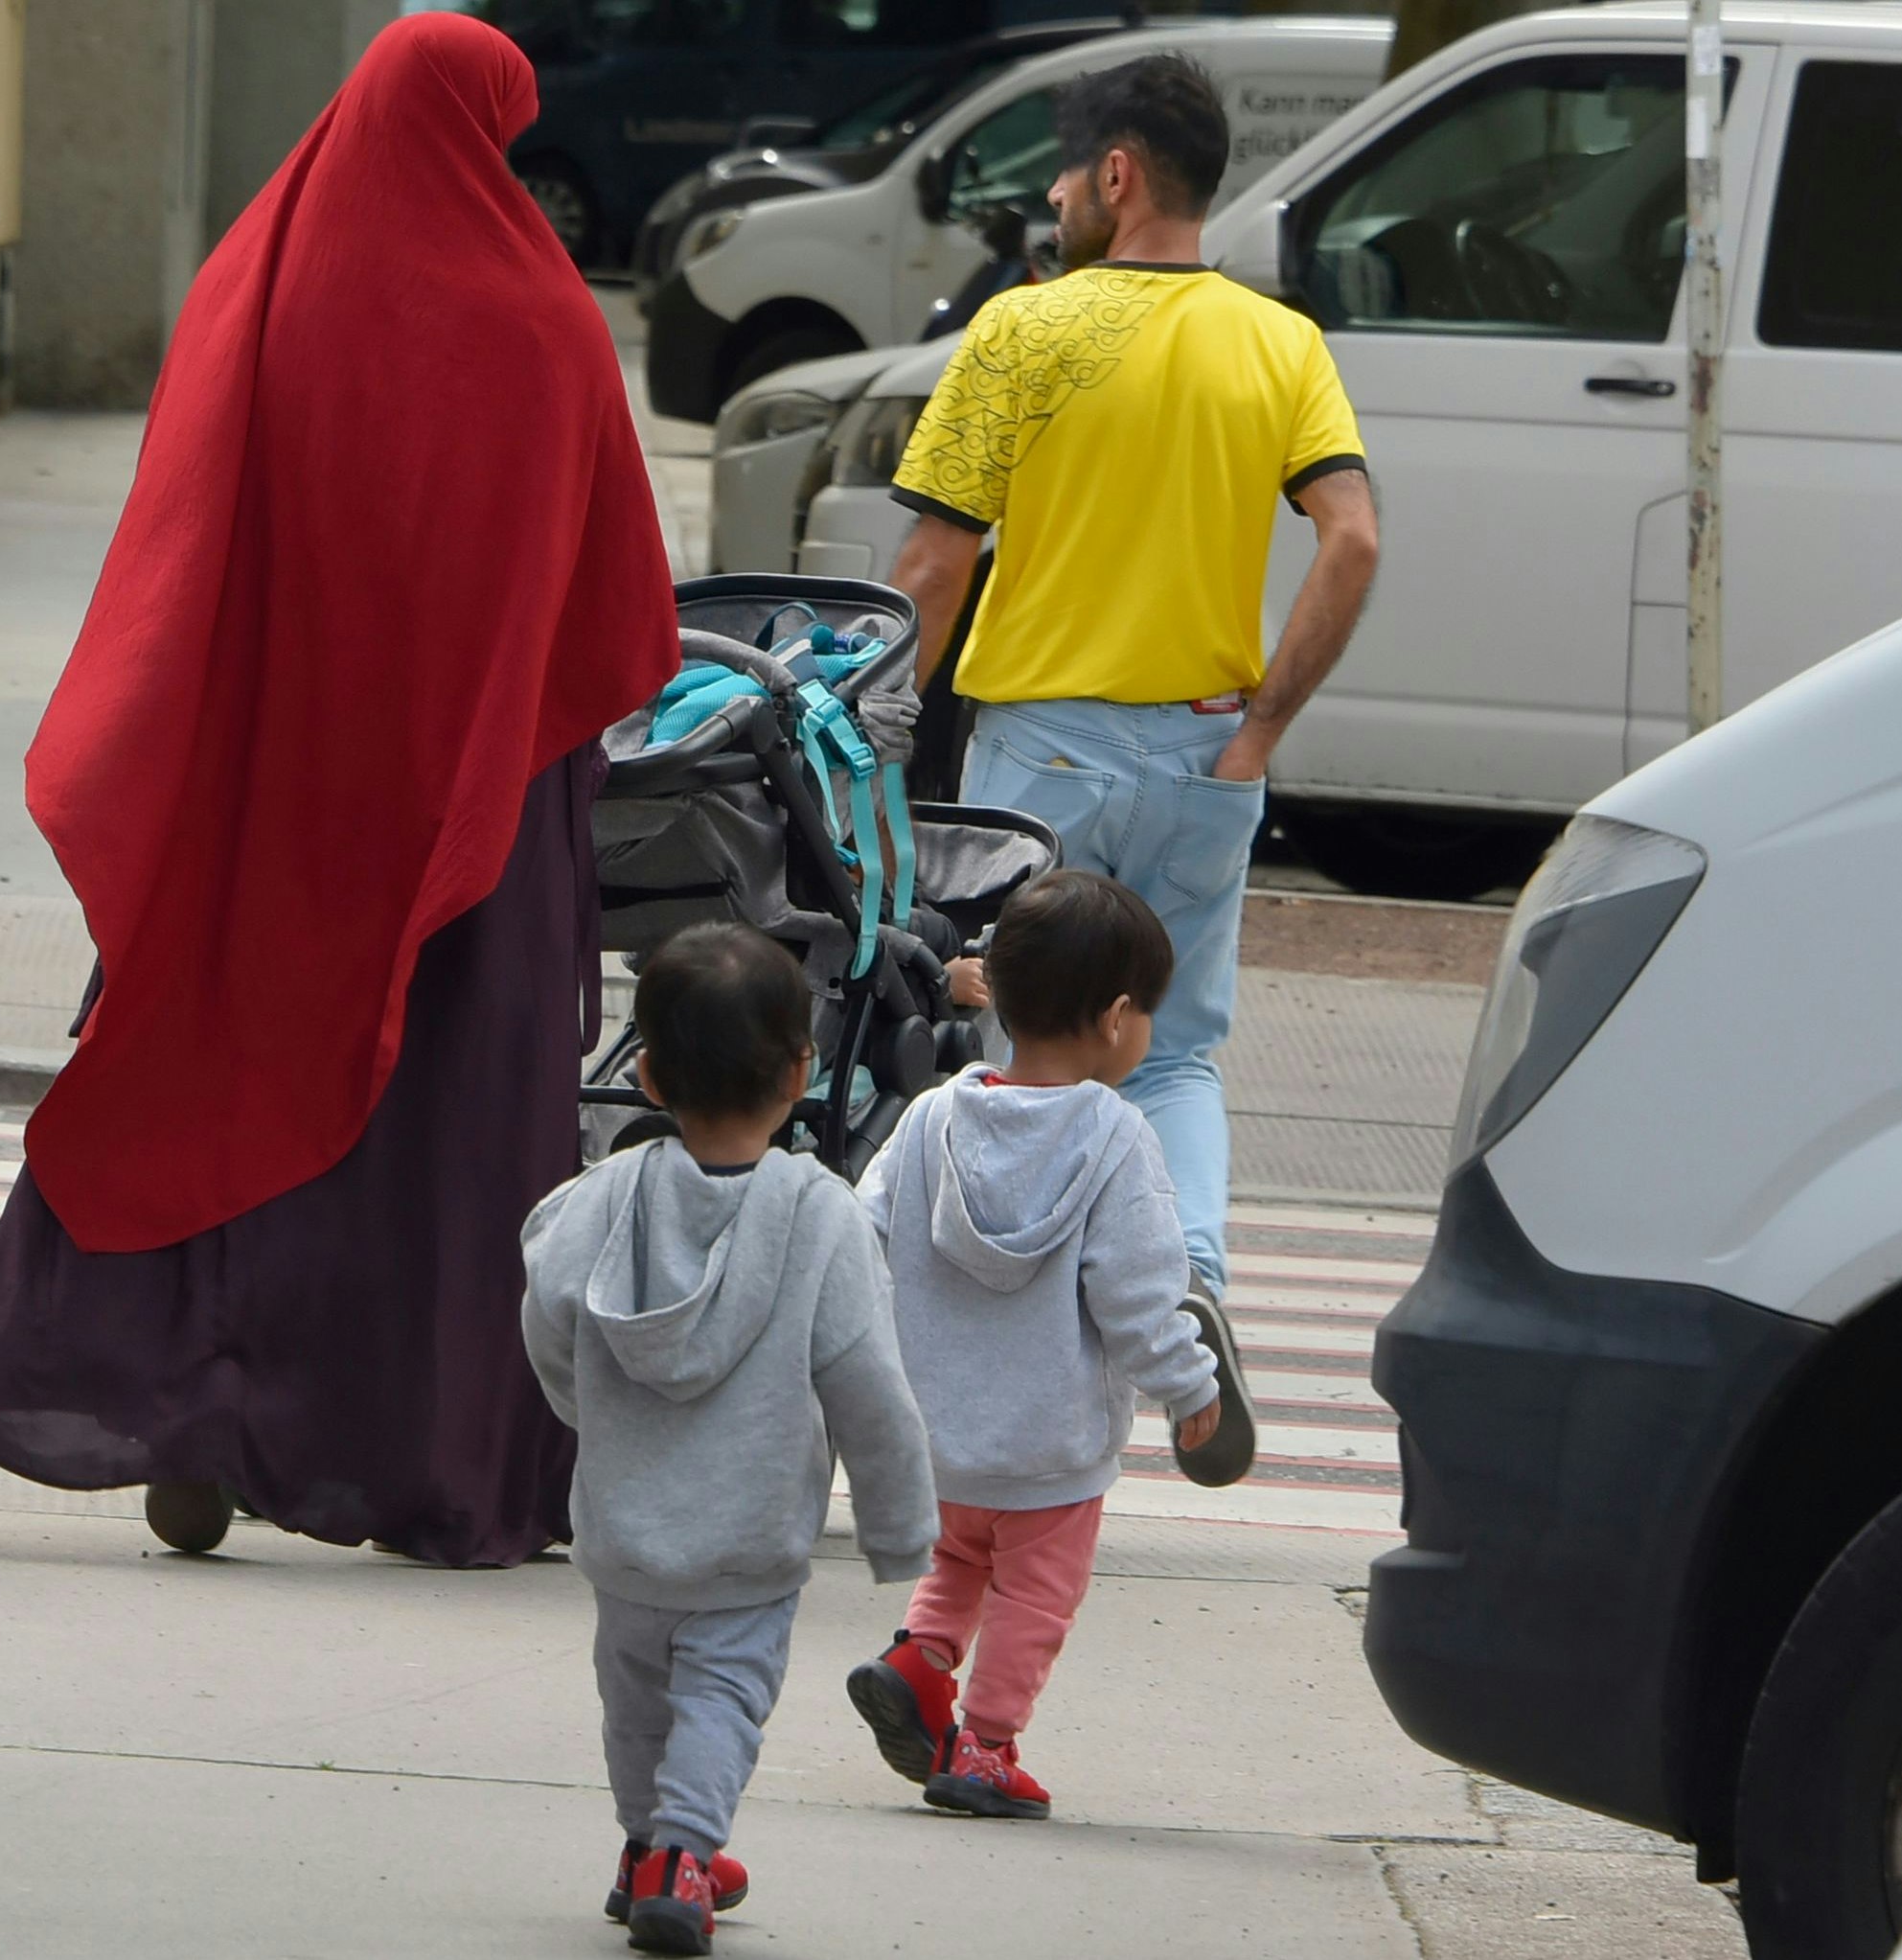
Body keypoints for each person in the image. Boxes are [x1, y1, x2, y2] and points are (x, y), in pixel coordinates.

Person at [0, 12, 679, 1568]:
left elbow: (180, 537)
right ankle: (416, 1456)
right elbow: (609, 599)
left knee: (213, 1057)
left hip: (263, 774)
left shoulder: (255, 282)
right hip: (466, 796)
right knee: (445, 1120)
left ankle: (184, 1410)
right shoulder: (544, 319)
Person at [884, 54, 1382, 1312]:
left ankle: (1017, 1301)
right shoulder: (1283, 344)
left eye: (1064, 175)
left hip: (1042, 763)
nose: (1054, 199)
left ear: (1116, 175)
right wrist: (1261, 731)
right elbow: (1354, 538)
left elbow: (935, 566)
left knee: (1019, 1032)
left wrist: (873, 735)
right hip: (1210, 758)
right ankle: (1190, 1275)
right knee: (1176, 1055)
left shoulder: (1019, 331)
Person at [520, 923, 938, 1956]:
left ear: (649, 1074)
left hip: (623, 1531)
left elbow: (547, 1312)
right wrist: (900, 1527)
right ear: (801, 1071)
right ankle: (683, 1852)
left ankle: (646, 1844)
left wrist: (586, 1410)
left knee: (635, 1701)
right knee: (721, 1696)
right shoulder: (822, 1218)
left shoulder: (601, 1199)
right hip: (748, 1537)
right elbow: (870, 1388)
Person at [841, 871, 1223, 1820]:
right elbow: (1139, 1294)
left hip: (940, 1433)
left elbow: (861, 1238)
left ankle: (919, 1660)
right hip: (1051, 1445)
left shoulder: (932, 1115)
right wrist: (1188, 1382)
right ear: (1119, 1017)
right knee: (1034, 1596)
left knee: (961, 1558)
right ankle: (985, 1743)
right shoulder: (1116, 1138)